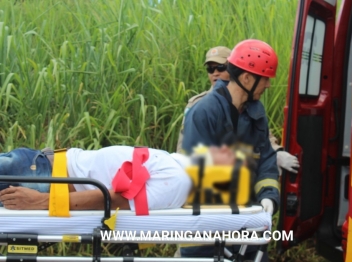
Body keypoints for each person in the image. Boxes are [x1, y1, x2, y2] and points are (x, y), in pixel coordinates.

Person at [181, 39, 285, 261]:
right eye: (265, 78)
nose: (268, 85)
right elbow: (196, 174)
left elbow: (265, 160)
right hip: (205, 232)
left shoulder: (257, 113)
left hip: (245, 227)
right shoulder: (204, 112)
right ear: (247, 78)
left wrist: (268, 197)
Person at [177, 46, 299, 176]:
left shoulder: (250, 100)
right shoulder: (199, 105)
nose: (215, 73)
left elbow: (262, 135)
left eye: (220, 67)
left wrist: (275, 153)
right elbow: (185, 146)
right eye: (210, 69)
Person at [0, 145, 240, 211]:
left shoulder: (178, 181)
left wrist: (40, 201)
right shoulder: (177, 165)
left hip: (43, 178)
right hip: (42, 165)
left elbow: (115, 199)